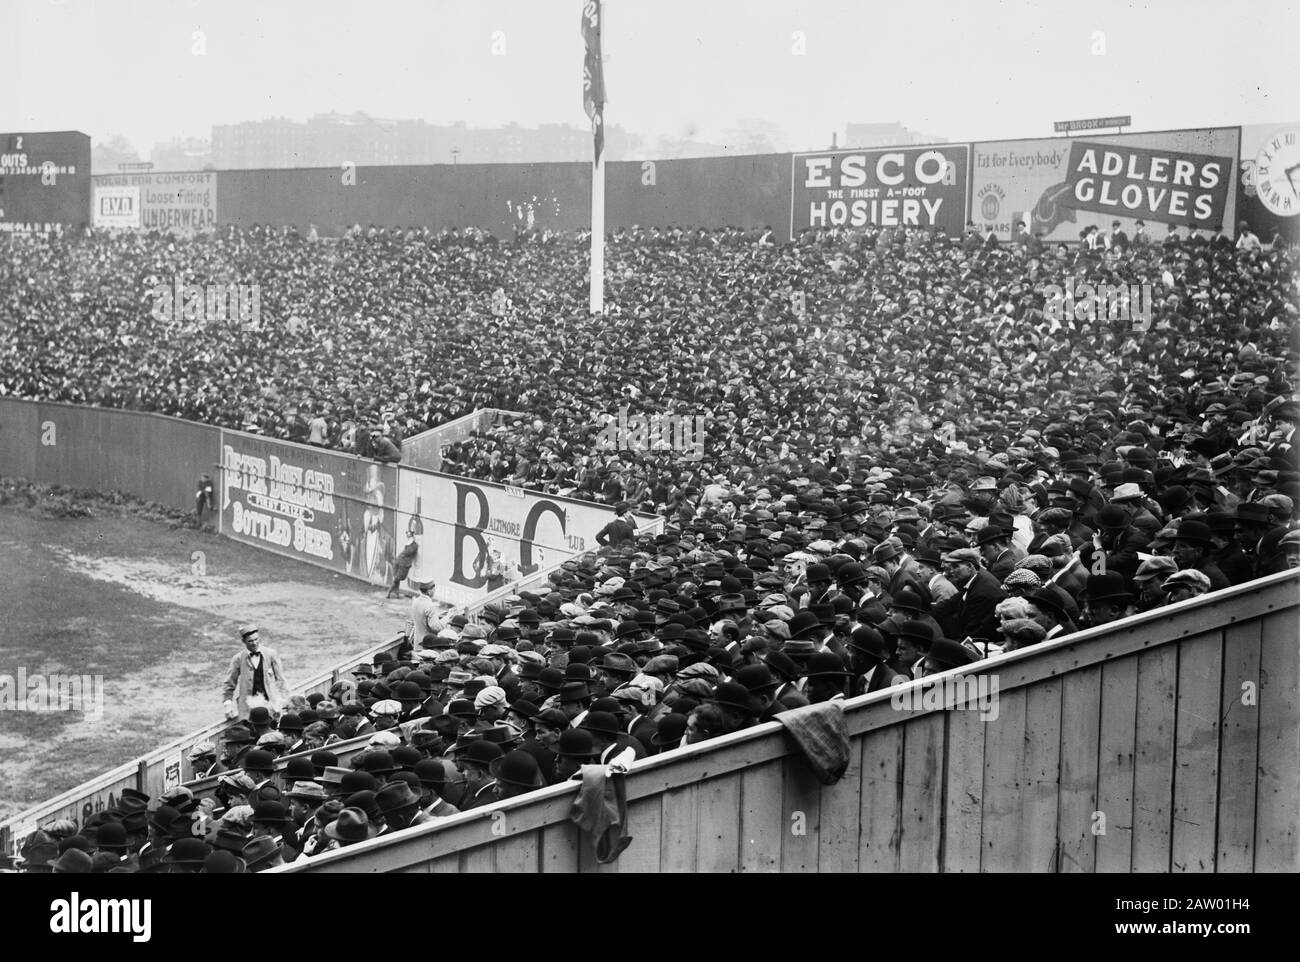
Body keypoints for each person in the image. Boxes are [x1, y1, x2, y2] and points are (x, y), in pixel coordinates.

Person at [222, 625, 289, 721]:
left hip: (270, 707)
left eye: (256, 639)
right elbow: (229, 684)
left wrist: (285, 702)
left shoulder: (271, 654)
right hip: (248, 710)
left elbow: (281, 680)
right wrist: (227, 705)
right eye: (250, 641)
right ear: (243, 641)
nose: (254, 643)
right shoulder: (238, 659)